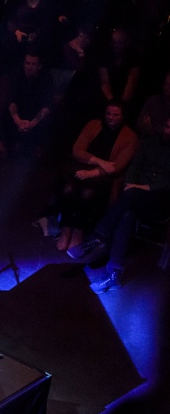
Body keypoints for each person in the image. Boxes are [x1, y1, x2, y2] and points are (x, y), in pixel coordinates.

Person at [67, 117, 170, 293]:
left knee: (129, 197)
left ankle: (97, 237)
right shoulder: (150, 143)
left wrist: (143, 187)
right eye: (168, 126)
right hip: (135, 196)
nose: (168, 131)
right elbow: (134, 168)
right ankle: (114, 275)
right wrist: (131, 183)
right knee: (126, 215)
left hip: (159, 201)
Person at [49, 101, 138, 252]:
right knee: (68, 189)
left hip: (104, 176)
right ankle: (66, 228)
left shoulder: (130, 136)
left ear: (123, 116)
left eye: (116, 115)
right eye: (108, 113)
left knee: (87, 193)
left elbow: (117, 167)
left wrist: (92, 172)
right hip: (83, 167)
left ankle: (78, 231)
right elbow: (77, 150)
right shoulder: (93, 125)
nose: (111, 117)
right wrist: (100, 161)